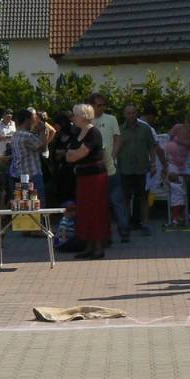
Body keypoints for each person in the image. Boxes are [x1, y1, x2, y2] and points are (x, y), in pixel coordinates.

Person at [63, 104, 109, 260]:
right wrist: (72, 154)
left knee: (95, 210)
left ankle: (98, 247)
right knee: (84, 211)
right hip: (83, 176)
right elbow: (69, 155)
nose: (73, 118)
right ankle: (88, 246)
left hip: (95, 178)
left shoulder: (93, 132)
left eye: (75, 115)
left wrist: (72, 154)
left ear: (82, 116)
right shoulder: (78, 132)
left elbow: (77, 154)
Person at [117, 105, 163, 234]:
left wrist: (153, 163)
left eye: (133, 113)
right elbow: (116, 148)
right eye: (128, 113)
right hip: (125, 168)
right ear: (124, 115)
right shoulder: (120, 130)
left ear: (136, 113)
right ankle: (125, 225)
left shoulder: (145, 128)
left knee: (143, 197)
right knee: (125, 198)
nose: (131, 116)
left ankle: (145, 224)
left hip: (142, 168)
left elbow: (152, 147)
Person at [89, 94, 127, 242]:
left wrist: (113, 154)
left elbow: (118, 138)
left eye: (103, 105)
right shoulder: (87, 121)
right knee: (100, 204)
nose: (102, 108)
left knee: (116, 200)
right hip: (95, 169)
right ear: (91, 105)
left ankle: (124, 230)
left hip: (110, 168)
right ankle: (105, 234)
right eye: (99, 105)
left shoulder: (111, 119)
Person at [8, 109, 56, 210]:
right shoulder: (27, 136)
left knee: (24, 207)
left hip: (19, 175)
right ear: (27, 120)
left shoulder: (15, 135)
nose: (34, 122)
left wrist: (36, 132)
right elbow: (42, 148)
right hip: (33, 175)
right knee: (38, 206)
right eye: (33, 119)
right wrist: (43, 131)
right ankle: (41, 225)